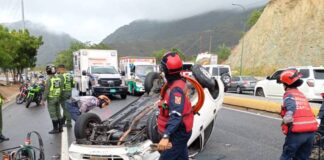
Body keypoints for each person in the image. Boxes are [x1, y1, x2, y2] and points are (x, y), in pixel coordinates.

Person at [157, 52, 194, 160]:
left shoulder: (176, 89)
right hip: (182, 130)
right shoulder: (179, 82)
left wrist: (166, 136)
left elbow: (176, 115)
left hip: (178, 132)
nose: (162, 72)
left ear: (166, 71)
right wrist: (163, 105)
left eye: (162, 69)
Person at [278, 69, 318, 160]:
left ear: (285, 84)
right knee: (303, 157)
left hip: (297, 133)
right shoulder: (301, 95)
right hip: (310, 133)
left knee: (286, 156)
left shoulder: (289, 94)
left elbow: (291, 106)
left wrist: (287, 117)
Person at [41, 64, 64, 134]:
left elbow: (46, 91)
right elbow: (61, 88)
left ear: (48, 71)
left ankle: (55, 129)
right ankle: (61, 128)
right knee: (58, 113)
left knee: (53, 114)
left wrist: (43, 100)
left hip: (51, 99)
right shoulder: (58, 79)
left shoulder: (49, 80)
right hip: (57, 98)